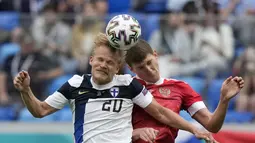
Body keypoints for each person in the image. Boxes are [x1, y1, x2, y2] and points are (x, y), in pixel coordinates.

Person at [13, 33, 212, 143]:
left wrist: (193, 128)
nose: (103, 65)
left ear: (117, 67)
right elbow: (41, 110)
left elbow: (161, 113)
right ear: (91, 60)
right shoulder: (75, 84)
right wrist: (25, 91)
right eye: (100, 59)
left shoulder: (128, 84)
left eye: (110, 62)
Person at [125, 39, 244, 143]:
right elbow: (108, 130)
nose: (149, 70)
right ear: (131, 69)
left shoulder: (180, 87)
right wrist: (134, 133)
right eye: (141, 67)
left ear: (155, 55)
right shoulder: (126, 88)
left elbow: (212, 125)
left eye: (149, 62)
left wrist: (224, 100)